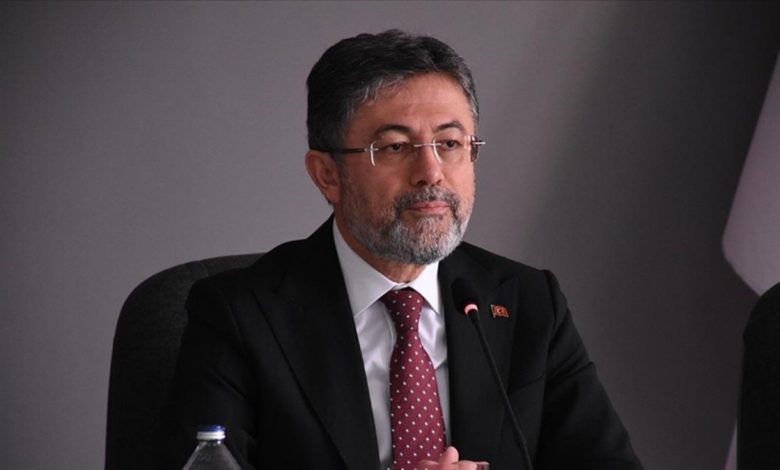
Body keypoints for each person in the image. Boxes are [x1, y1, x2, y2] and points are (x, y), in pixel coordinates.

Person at [160, 30, 642, 470]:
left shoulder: (528, 301)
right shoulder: (240, 317)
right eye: (394, 147)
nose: (431, 173)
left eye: (449, 143)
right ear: (327, 174)